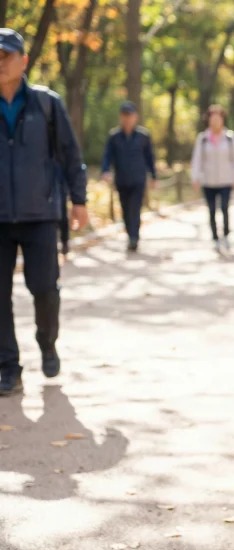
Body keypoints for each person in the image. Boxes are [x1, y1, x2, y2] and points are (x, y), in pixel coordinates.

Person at [0, 28, 89, 396]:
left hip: (40, 214)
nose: (0, 62)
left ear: (24, 61)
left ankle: (47, 342)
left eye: (6, 55)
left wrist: (80, 200)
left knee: (44, 290)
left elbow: (70, 154)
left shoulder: (46, 104)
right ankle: (8, 366)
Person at [101, 101, 157, 253]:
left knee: (135, 208)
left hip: (138, 179)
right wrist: (105, 170)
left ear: (135, 117)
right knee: (125, 209)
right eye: (124, 116)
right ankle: (130, 234)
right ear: (121, 117)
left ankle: (134, 237)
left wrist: (153, 176)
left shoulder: (143, 136)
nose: (127, 119)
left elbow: (150, 157)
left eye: (130, 116)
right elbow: (107, 156)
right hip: (122, 179)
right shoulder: (114, 137)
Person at [190, 105, 234, 251]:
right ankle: (215, 238)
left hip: (226, 180)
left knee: (225, 208)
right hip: (209, 181)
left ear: (222, 119)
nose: (215, 121)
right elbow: (197, 159)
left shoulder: (230, 138)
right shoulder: (202, 139)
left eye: (218, 118)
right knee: (212, 210)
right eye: (212, 118)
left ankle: (226, 235)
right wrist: (195, 177)